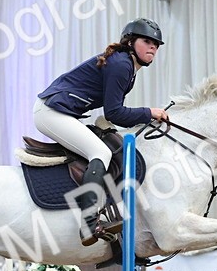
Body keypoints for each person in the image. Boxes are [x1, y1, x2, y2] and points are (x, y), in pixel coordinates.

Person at [35, 17, 170, 246]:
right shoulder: (121, 64)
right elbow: (115, 112)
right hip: (50, 112)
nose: (153, 47)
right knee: (101, 152)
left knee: (108, 142)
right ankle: (88, 223)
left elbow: (110, 115)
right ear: (130, 42)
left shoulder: (128, 68)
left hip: (64, 112)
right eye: (147, 41)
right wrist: (149, 113)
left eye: (156, 44)